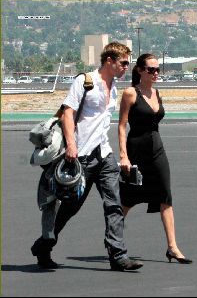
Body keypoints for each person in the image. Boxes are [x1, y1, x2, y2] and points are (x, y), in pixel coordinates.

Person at [31, 42, 143, 272]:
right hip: (80, 157)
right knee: (71, 207)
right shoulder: (85, 81)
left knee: (114, 204)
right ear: (110, 61)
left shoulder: (113, 87)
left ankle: (118, 255)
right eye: (123, 63)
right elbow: (68, 112)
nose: (126, 67)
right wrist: (71, 144)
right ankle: (45, 244)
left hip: (104, 154)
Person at [118, 53, 192, 264]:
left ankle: (173, 248)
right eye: (151, 70)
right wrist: (123, 155)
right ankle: (113, 240)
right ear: (140, 70)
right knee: (128, 199)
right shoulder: (130, 93)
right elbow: (122, 126)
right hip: (136, 151)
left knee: (165, 196)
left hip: (157, 149)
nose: (156, 73)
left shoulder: (157, 92)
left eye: (158, 69)